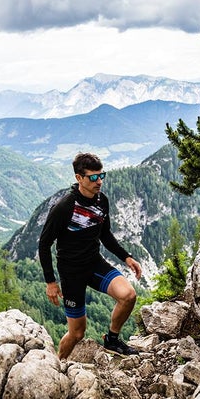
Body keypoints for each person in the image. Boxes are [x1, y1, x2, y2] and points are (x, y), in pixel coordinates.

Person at [38, 152, 145, 358]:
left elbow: (105, 234)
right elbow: (44, 244)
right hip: (71, 273)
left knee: (128, 295)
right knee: (77, 333)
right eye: (93, 177)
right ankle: (57, 363)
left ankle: (112, 340)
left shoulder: (101, 201)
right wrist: (50, 282)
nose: (99, 182)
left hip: (94, 264)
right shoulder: (64, 207)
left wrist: (127, 257)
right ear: (79, 178)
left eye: (101, 176)